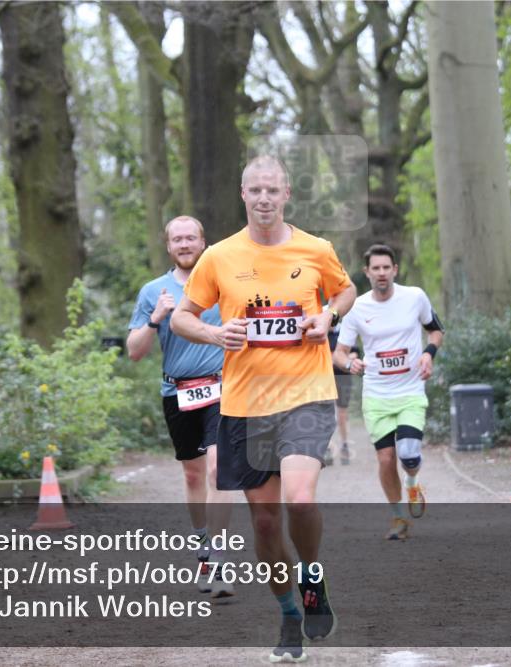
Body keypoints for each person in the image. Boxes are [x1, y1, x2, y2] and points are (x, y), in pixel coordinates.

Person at [171, 156, 356, 663]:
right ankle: (288, 614)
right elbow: (184, 318)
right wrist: (214, 332)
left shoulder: (315, 249)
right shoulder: (218, 256)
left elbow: (345, 291)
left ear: (287, 193)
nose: (265, 198)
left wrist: (327, 315)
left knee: (299, 499)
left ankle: (312, 578)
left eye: (273, 190)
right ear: (243, 194)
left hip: (306, 395)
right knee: (268, 525)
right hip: (246, 405)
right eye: (256, 190)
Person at [127, 215, 235, 598]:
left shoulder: (224, 282)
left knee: (219, 469)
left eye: (191, 237)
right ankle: (204, 545)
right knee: (193, 476)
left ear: (204, 242)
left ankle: (221, 557)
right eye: (178, 239)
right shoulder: (153, 291)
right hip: (178, 392)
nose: (185, 244)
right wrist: (156, 319)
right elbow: (135, 352)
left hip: (222, 389)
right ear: (168, 246)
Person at [333, 244, 444, 541]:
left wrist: (428, 354)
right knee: (384, 459)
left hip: (409, 389)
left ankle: (412, 481)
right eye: (376, 268)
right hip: (376, 395)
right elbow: (339, 353)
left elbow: (436, 330)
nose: (381, 273)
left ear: (395, 270)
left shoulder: (415, 297)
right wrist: (351, 363)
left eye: (386, 267)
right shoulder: (357, 307)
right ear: (367, 272)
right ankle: (398, 518)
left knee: (408, 453)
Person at [325, 325, 357, 466]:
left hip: (343, 377)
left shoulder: (345, 332)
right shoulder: (320, 332)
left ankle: (344, 445)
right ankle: (328, 448)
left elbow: (354, 354)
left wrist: (338, 360)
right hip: (324, 378)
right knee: (325, 415)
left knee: (342, 415)